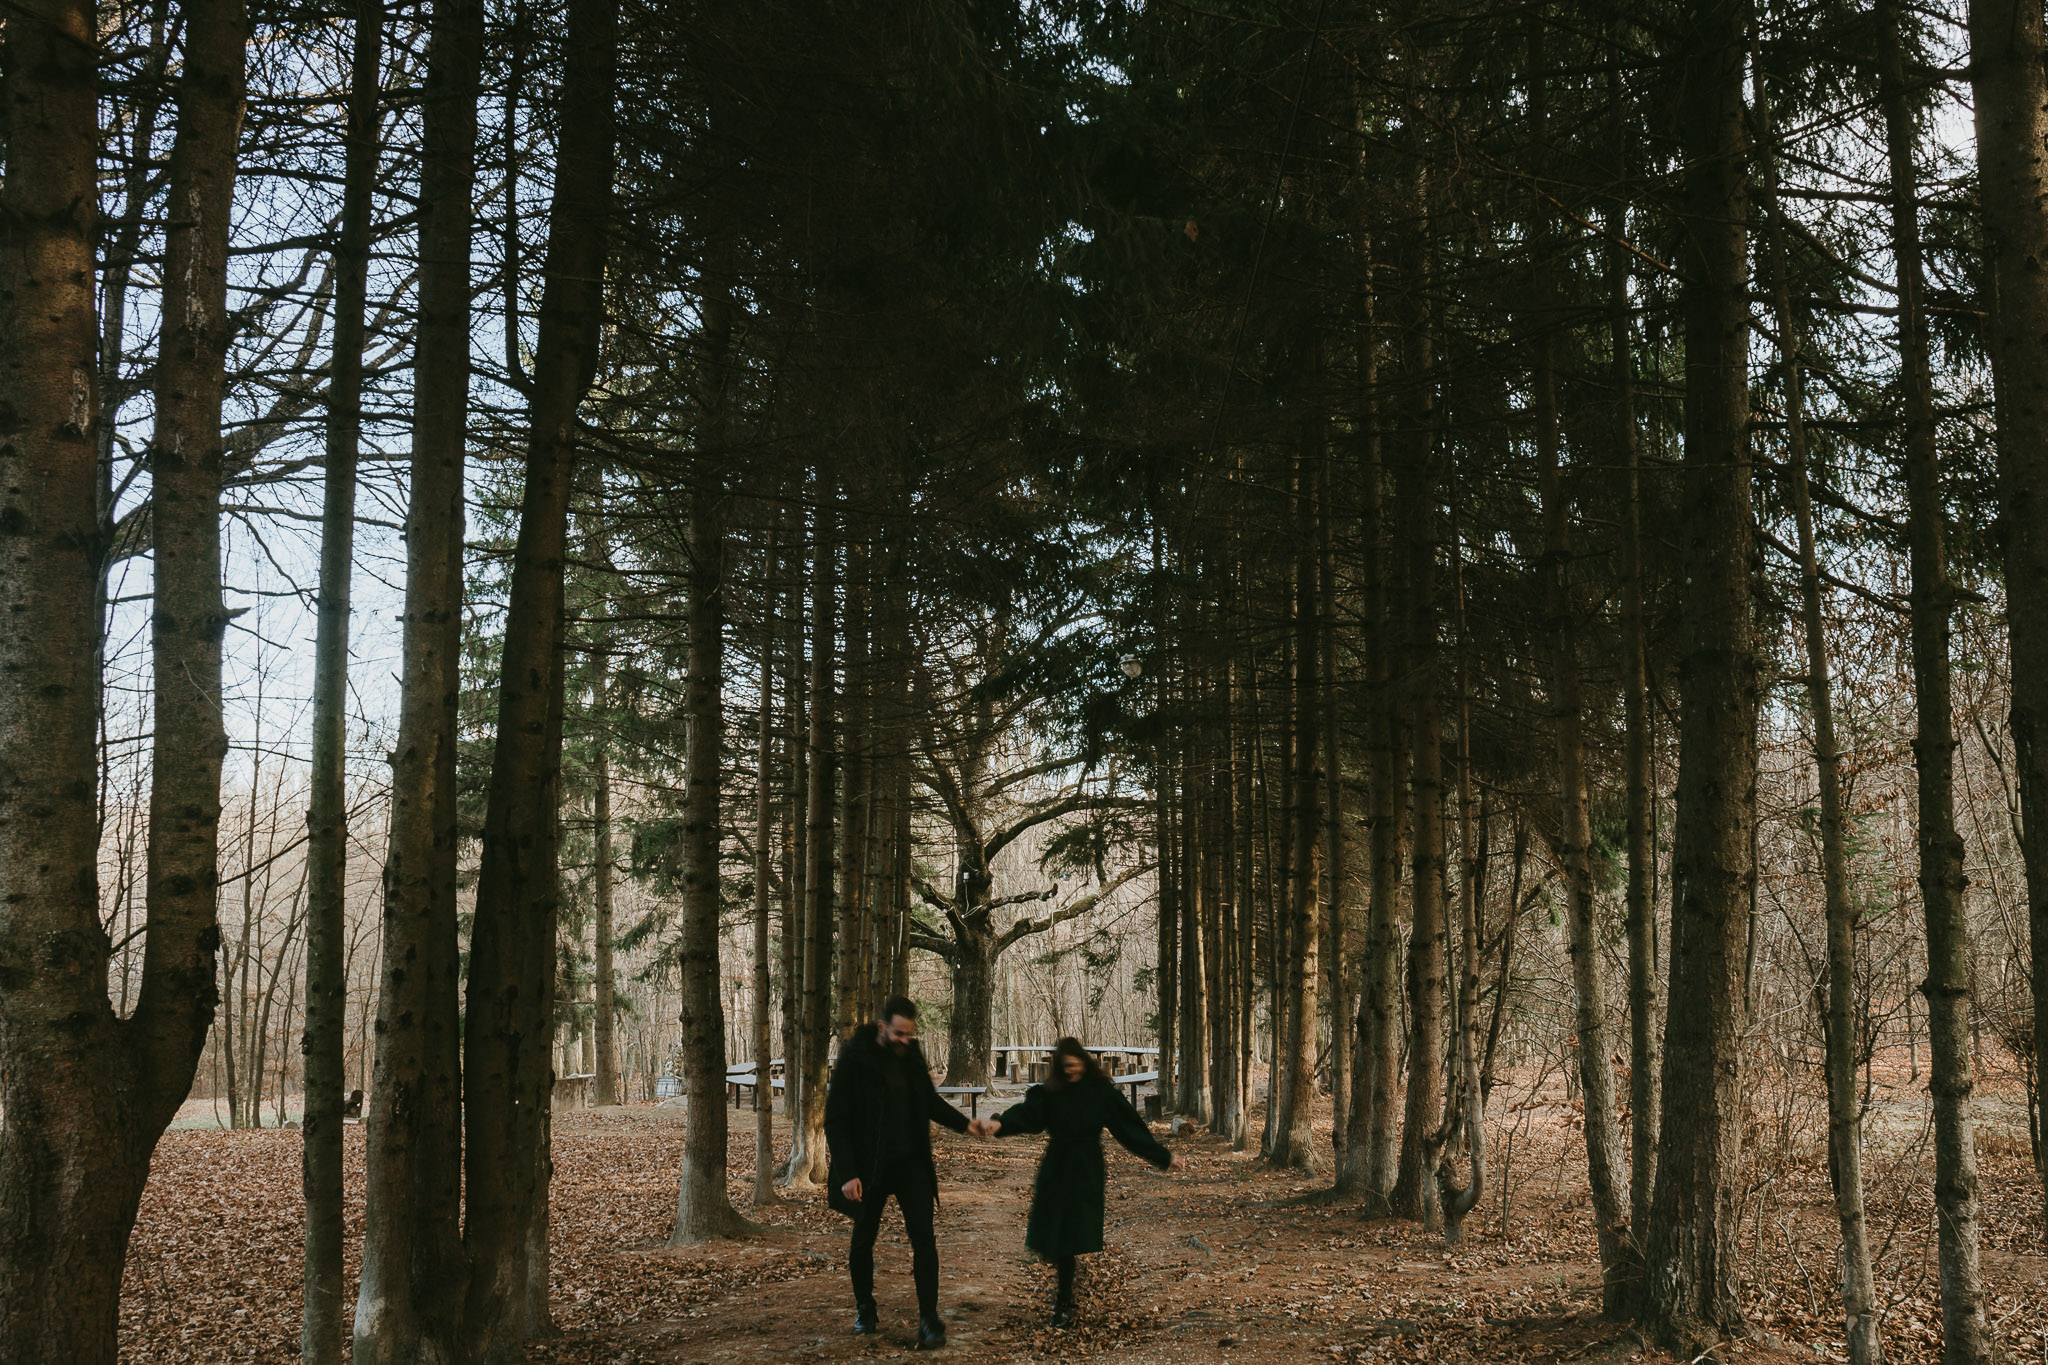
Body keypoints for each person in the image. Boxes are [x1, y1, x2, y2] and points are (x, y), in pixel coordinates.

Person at [970, 1037, 1187, 1327]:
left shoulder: (1100, 1093)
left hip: (1086, 1168)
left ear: (1084, 1063)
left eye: (1075, 1066)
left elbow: (1129, 1128)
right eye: (1066, 1067)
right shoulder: (1051, 1092)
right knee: (1052, 1233)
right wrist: (997, 1124)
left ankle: (1064, 1300)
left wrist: (1163, 1156)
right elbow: (1028, 1115)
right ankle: (1064, 1282)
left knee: (1069, 1237)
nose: (1071, 1071)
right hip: (1057, 1165)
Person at [825, 995, 970, 1349]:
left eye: (910, 1034)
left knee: (924, 1238)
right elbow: (836, 1120)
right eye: (900, 1033)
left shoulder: (911, 1056)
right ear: (882, 1028)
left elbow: (930, 1101)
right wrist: (847, 1173)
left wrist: (966, 1125)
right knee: (863, 1240)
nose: (906, 1040)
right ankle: (865, 1308)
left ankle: (928, 1320)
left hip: (911, 1165)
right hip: (868, 1168)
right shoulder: (854, 1060)